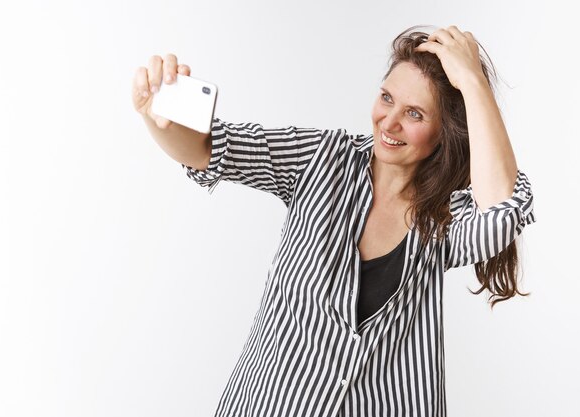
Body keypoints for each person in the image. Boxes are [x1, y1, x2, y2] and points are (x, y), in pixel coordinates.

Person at [132, 24, 536, 417]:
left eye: (414, 113)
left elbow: (503, 212)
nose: (389, 122)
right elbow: (209, 149)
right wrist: (156, 118)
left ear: (446, 131)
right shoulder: (321, 158)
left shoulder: (451, 213)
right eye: (386, 97)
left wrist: (472, 83)